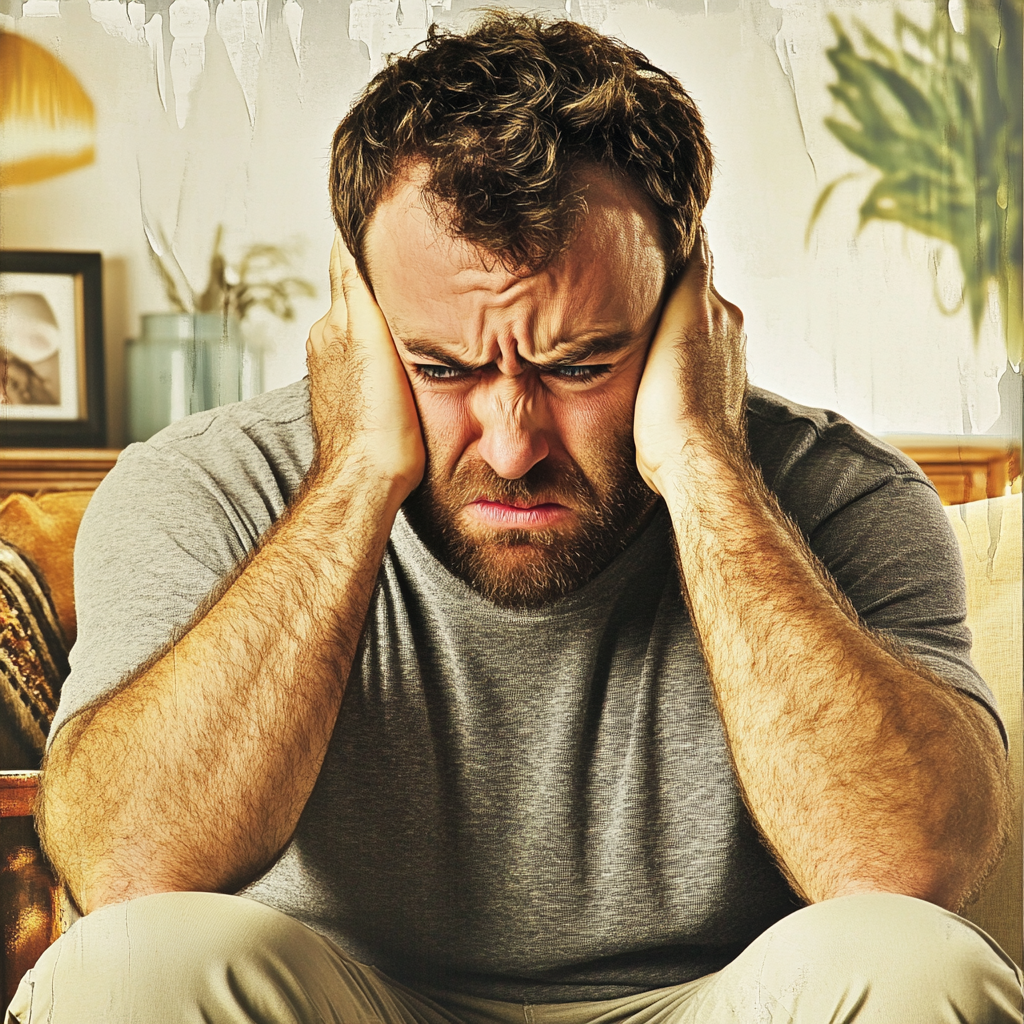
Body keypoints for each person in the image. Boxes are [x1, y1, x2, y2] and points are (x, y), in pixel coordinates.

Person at [10, 12, 1021, 1024]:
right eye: (441, 367)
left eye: (579, 364)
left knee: (915, 961)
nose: (510, 444)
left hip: (709, 1006)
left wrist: (705, 464)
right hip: (340, 1004)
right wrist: (358, 472)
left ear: (687, 315)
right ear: (355, 318)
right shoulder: (204, 485)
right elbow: (126, 865)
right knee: (129, 962)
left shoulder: (841, 493)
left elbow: (904, 866)